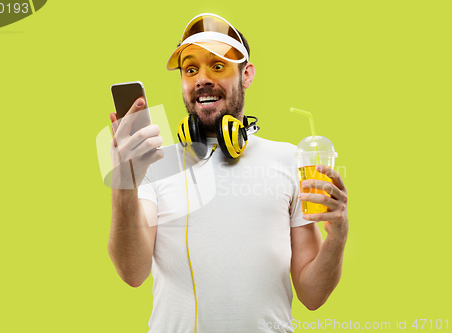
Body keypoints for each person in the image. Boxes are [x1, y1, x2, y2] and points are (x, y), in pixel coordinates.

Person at [107, 13, 349, 333]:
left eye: (217, 66)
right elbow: (132, 271)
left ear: (246, 75)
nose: (202, 79)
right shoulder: (154, 164)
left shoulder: (289, 160)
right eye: (191, 69)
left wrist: (338, 236)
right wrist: (124, 183)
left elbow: (313, 294)